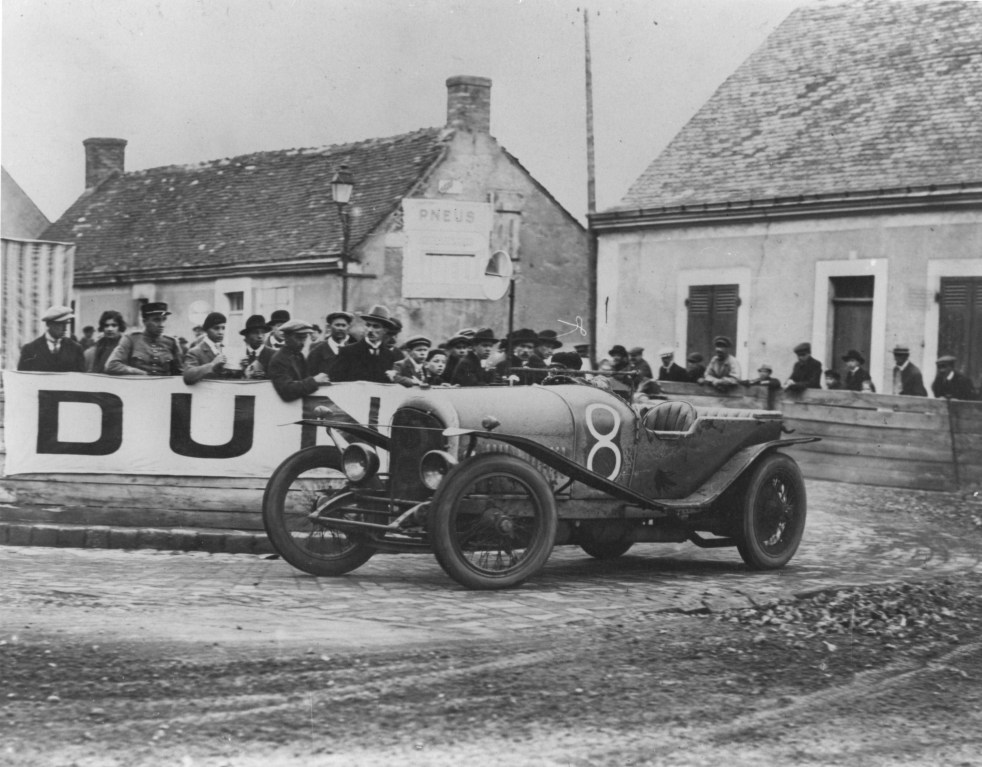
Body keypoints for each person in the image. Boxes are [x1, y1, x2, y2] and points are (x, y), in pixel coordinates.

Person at [328, 305, 402, 383]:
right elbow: (335, 381)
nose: (370, 330)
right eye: (368, 325)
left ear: (385, 330)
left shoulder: (390, 356)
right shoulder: (347, 352)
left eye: (376, 326)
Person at [106, 302, 183, 376]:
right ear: (144, 321)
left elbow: (179, 373)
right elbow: (111, 365)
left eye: (164, 319)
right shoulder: (131, 339)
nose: (161, 325)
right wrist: (141, 373)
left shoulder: (171, 342)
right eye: (156, 320)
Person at [268, 320, 330, 401]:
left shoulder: (299, 356)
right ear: (286, 338)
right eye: (299, 338)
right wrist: (314, 381)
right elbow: (286, 391)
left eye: (304, 338)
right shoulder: (279, 359)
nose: (302, 343)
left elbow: (304, 380)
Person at [17, 305, 86, 372]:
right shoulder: (30, 350)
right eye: (60, 324)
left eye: (66, 324)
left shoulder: (75, 349)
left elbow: (80, 378)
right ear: (49, 324)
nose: (65, 328)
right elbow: (23, 379)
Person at [183, 312, 231, 384]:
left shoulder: (225, 350)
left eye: (223, 328)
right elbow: (188, 376)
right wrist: (212, 365)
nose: (221, 332)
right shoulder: (195, 351)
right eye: (216, 328)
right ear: (206, 330)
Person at [308, 311, 355, 377]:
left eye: (344, 325)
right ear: (329, 327)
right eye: (337, 325)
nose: (340, 328)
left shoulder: (353, 351)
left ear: (348, 327)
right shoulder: (316, 352)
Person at [239, 314, 270, 379]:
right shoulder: (240, 355)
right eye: (255, 332)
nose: (260, 336)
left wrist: (266, 376)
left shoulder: (273, 354)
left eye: (263, 332)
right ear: (247, 336)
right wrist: (241, 370)